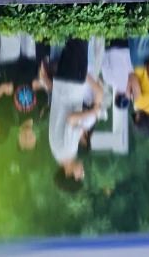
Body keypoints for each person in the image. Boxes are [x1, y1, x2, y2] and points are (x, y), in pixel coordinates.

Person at [49, 38, 104, 191]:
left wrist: (93, 112)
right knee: (73, 39)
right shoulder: (58, 152)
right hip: (64, 84)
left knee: (80, 37)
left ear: (68, 174)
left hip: (71, 85)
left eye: (79, 176)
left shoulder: (67, 150)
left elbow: (71, 119)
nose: (82, 172)